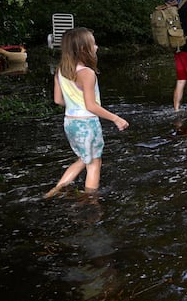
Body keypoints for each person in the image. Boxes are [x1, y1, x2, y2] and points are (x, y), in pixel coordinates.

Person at [46, 27, 129, 198]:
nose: (96, 47)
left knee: (84, 159)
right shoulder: (87, 73)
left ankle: (54, 191)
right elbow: (91, 106)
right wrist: (116, 118)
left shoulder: (60, 71)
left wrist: (74, 105)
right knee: (94, 163)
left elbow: (58, 101)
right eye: (94, 44)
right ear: (84, 49)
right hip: (87, 125)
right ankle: (90, 202)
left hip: (70, 122)